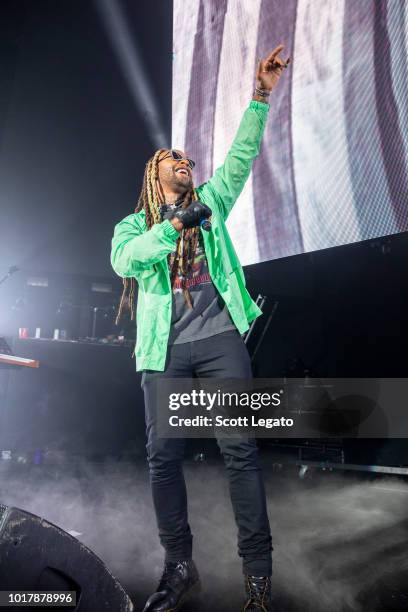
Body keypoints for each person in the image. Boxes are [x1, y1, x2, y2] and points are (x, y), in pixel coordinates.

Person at [111, 44, 290, 612]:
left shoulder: (210, 201)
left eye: (187, 158)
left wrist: (260, 94)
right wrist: (172, 226)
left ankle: (258, 580)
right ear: (155, 175)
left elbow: (239, 157)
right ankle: (179, 568)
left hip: (218, 343)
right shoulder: (135, 224)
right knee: (164, 456)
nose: (183, 160)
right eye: (173, 159)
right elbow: (125, 260)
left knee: (239, 450)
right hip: (164, 352)